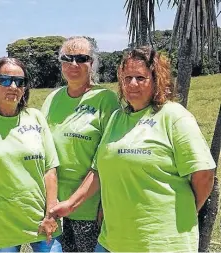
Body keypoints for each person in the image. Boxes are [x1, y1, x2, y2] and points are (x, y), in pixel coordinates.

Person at [90, 46, 216, 252]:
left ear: (157, 79)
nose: (132, 84)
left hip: (162, 243)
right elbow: (104, 169)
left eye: (140, 78)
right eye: (127, 77)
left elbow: (203, 174)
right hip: (112, 241)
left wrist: (185, 212)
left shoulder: (174, 116)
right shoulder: (117, 118)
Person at [0, 58, 62, 252]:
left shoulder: (36, 117)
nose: (13, 86)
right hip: (0, 225)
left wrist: (51, 215)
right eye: (5, 80)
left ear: (25, 88)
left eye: (20, 81)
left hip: (41, 221)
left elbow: (50, 169)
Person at [41, 36, 120, 252]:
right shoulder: (52, 98)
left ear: (92, 63)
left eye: (81, 58)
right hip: (53, 205)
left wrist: (105, 203)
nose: (74, 64)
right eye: (68, 58)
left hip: (90, 207)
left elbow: (109, 156)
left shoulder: (105, 99)